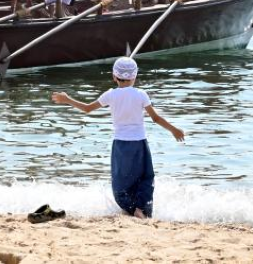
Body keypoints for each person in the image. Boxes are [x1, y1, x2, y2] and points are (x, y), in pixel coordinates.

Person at [51, 57, 185, 219]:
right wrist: (174, 130)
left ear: (114, 77)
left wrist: (67, 100)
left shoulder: (110, 95)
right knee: (145, 177)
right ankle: (141, 209)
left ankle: (130, 209)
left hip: (120, 144)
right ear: (134, 76)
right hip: (139, 143)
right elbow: (155, 119)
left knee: (121, 181)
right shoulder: (141, 94)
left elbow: (87, 109)